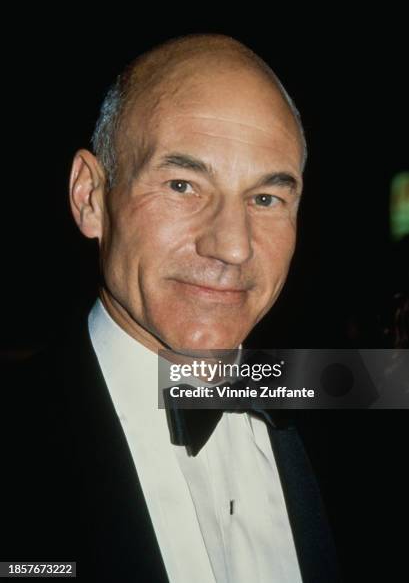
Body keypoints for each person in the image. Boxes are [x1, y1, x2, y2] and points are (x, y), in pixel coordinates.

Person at [3, 34, 407, 582]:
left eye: (266, 198)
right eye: (183, 185)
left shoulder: (362, 409)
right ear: (91, 197)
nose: (232, 245)